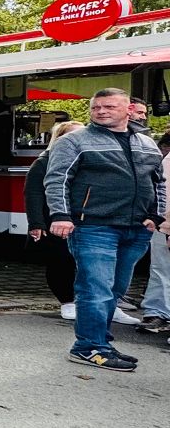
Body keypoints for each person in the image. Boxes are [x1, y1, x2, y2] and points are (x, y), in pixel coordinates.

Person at [43, 87, 165, 370]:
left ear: (128, 110)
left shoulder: (146, 143)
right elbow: (57, 179)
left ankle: (102, 343)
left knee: (114, 291)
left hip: (136, 229)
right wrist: (60, 215)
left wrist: (156, 216)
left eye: (109, 106)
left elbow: (158, 182)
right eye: (96, 107)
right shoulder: (74, 141)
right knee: (95, 290)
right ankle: (88, 347)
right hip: (93, 227)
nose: (101, 111)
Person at [25, 120, 84, 321]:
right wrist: (36, 223)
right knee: (60, 261)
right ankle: (67, 300)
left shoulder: (87, 160)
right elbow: (33, 194)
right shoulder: (43, 162)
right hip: (54, 219)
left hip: (83, 219)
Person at [141, 132, 170, 335]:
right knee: (161, 268)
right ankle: (157, 312)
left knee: (161, 269)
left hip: (164, 224)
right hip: (165, 225)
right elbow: (165, 193)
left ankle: (157, 312)